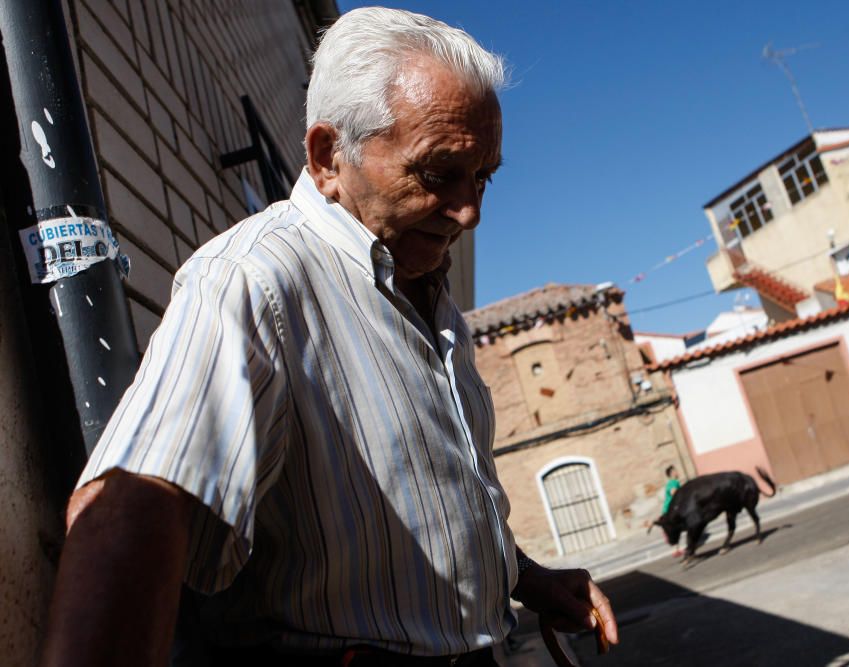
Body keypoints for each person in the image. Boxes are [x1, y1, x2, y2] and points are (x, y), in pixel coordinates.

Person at [40, 8, 618, 666]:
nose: (471, 211)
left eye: (482, 177)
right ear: (327, 157)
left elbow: (428, 504)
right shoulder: (252, 281)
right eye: (438, 174)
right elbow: (128, 506)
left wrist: (527, 578)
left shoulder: (427, 293)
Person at [661, 465, 684, 557]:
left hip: (669, 509)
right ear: (672, 473)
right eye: (676, 471)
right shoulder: (673, 482)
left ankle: (676, 549)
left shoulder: (672, 482)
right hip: (670, 510)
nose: (677, 472)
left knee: (674, 528)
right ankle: (675, 548)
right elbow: (673, 492)